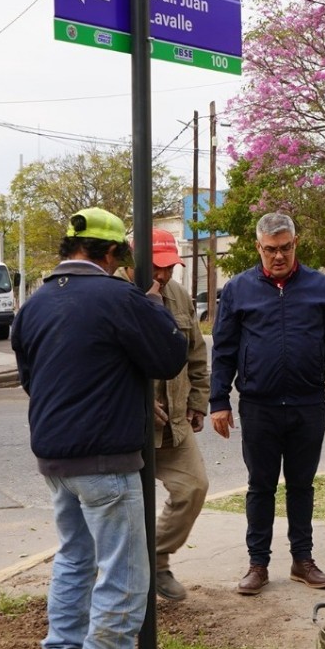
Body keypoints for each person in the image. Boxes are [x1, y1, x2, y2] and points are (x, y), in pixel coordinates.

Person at [11, 208, 188, 649]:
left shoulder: (35, 303)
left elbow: (31, 377)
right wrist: (152, 304)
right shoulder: (118, 296)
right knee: (126, 582)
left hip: (54, 458)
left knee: (74, 558)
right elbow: (168, 358)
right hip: (105, 461)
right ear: (111, 254)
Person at [209, 212, 325, 596]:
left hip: (308, 404)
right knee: (260, 486)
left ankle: (302, 560)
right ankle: (258, 564)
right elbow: (223, 350)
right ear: (259, 247)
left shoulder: (320, 288)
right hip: (258, 406)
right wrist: (219, 400)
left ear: (296, 244)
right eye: (271, 249)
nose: (279, 256)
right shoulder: (238, 290)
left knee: (301, 485)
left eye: (286, 248)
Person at [115, 229, 210, 603]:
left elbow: (196, 354)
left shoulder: (179, 296)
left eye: (170, 267)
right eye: (157, 267)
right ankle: (123, 581)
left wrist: (198, 400)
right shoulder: (114, 295)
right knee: (122, 510)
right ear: (131, 261)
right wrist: (134, 401)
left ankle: (155, 558)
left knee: (193, 488)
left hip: (172, 424)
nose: (164, 275)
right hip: (127, 427)